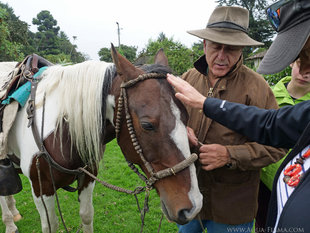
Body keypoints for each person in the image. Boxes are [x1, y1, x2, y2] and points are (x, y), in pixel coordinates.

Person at [167, 0, 310, 232]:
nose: (222, 56)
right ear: (204, 44)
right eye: (215, 46)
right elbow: (172, 121)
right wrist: (183, 130)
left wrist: (229, 155)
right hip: (191, 198)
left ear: (242, 49)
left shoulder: (258, 87)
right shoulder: (187, 79)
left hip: (233, 208)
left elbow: (277, 147)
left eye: (231, 48)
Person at [256, 58, 310, 229]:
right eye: (302, 62)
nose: (305, 72)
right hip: (264, 184)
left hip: (300, 188)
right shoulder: (267, 95)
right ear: (291, 62)